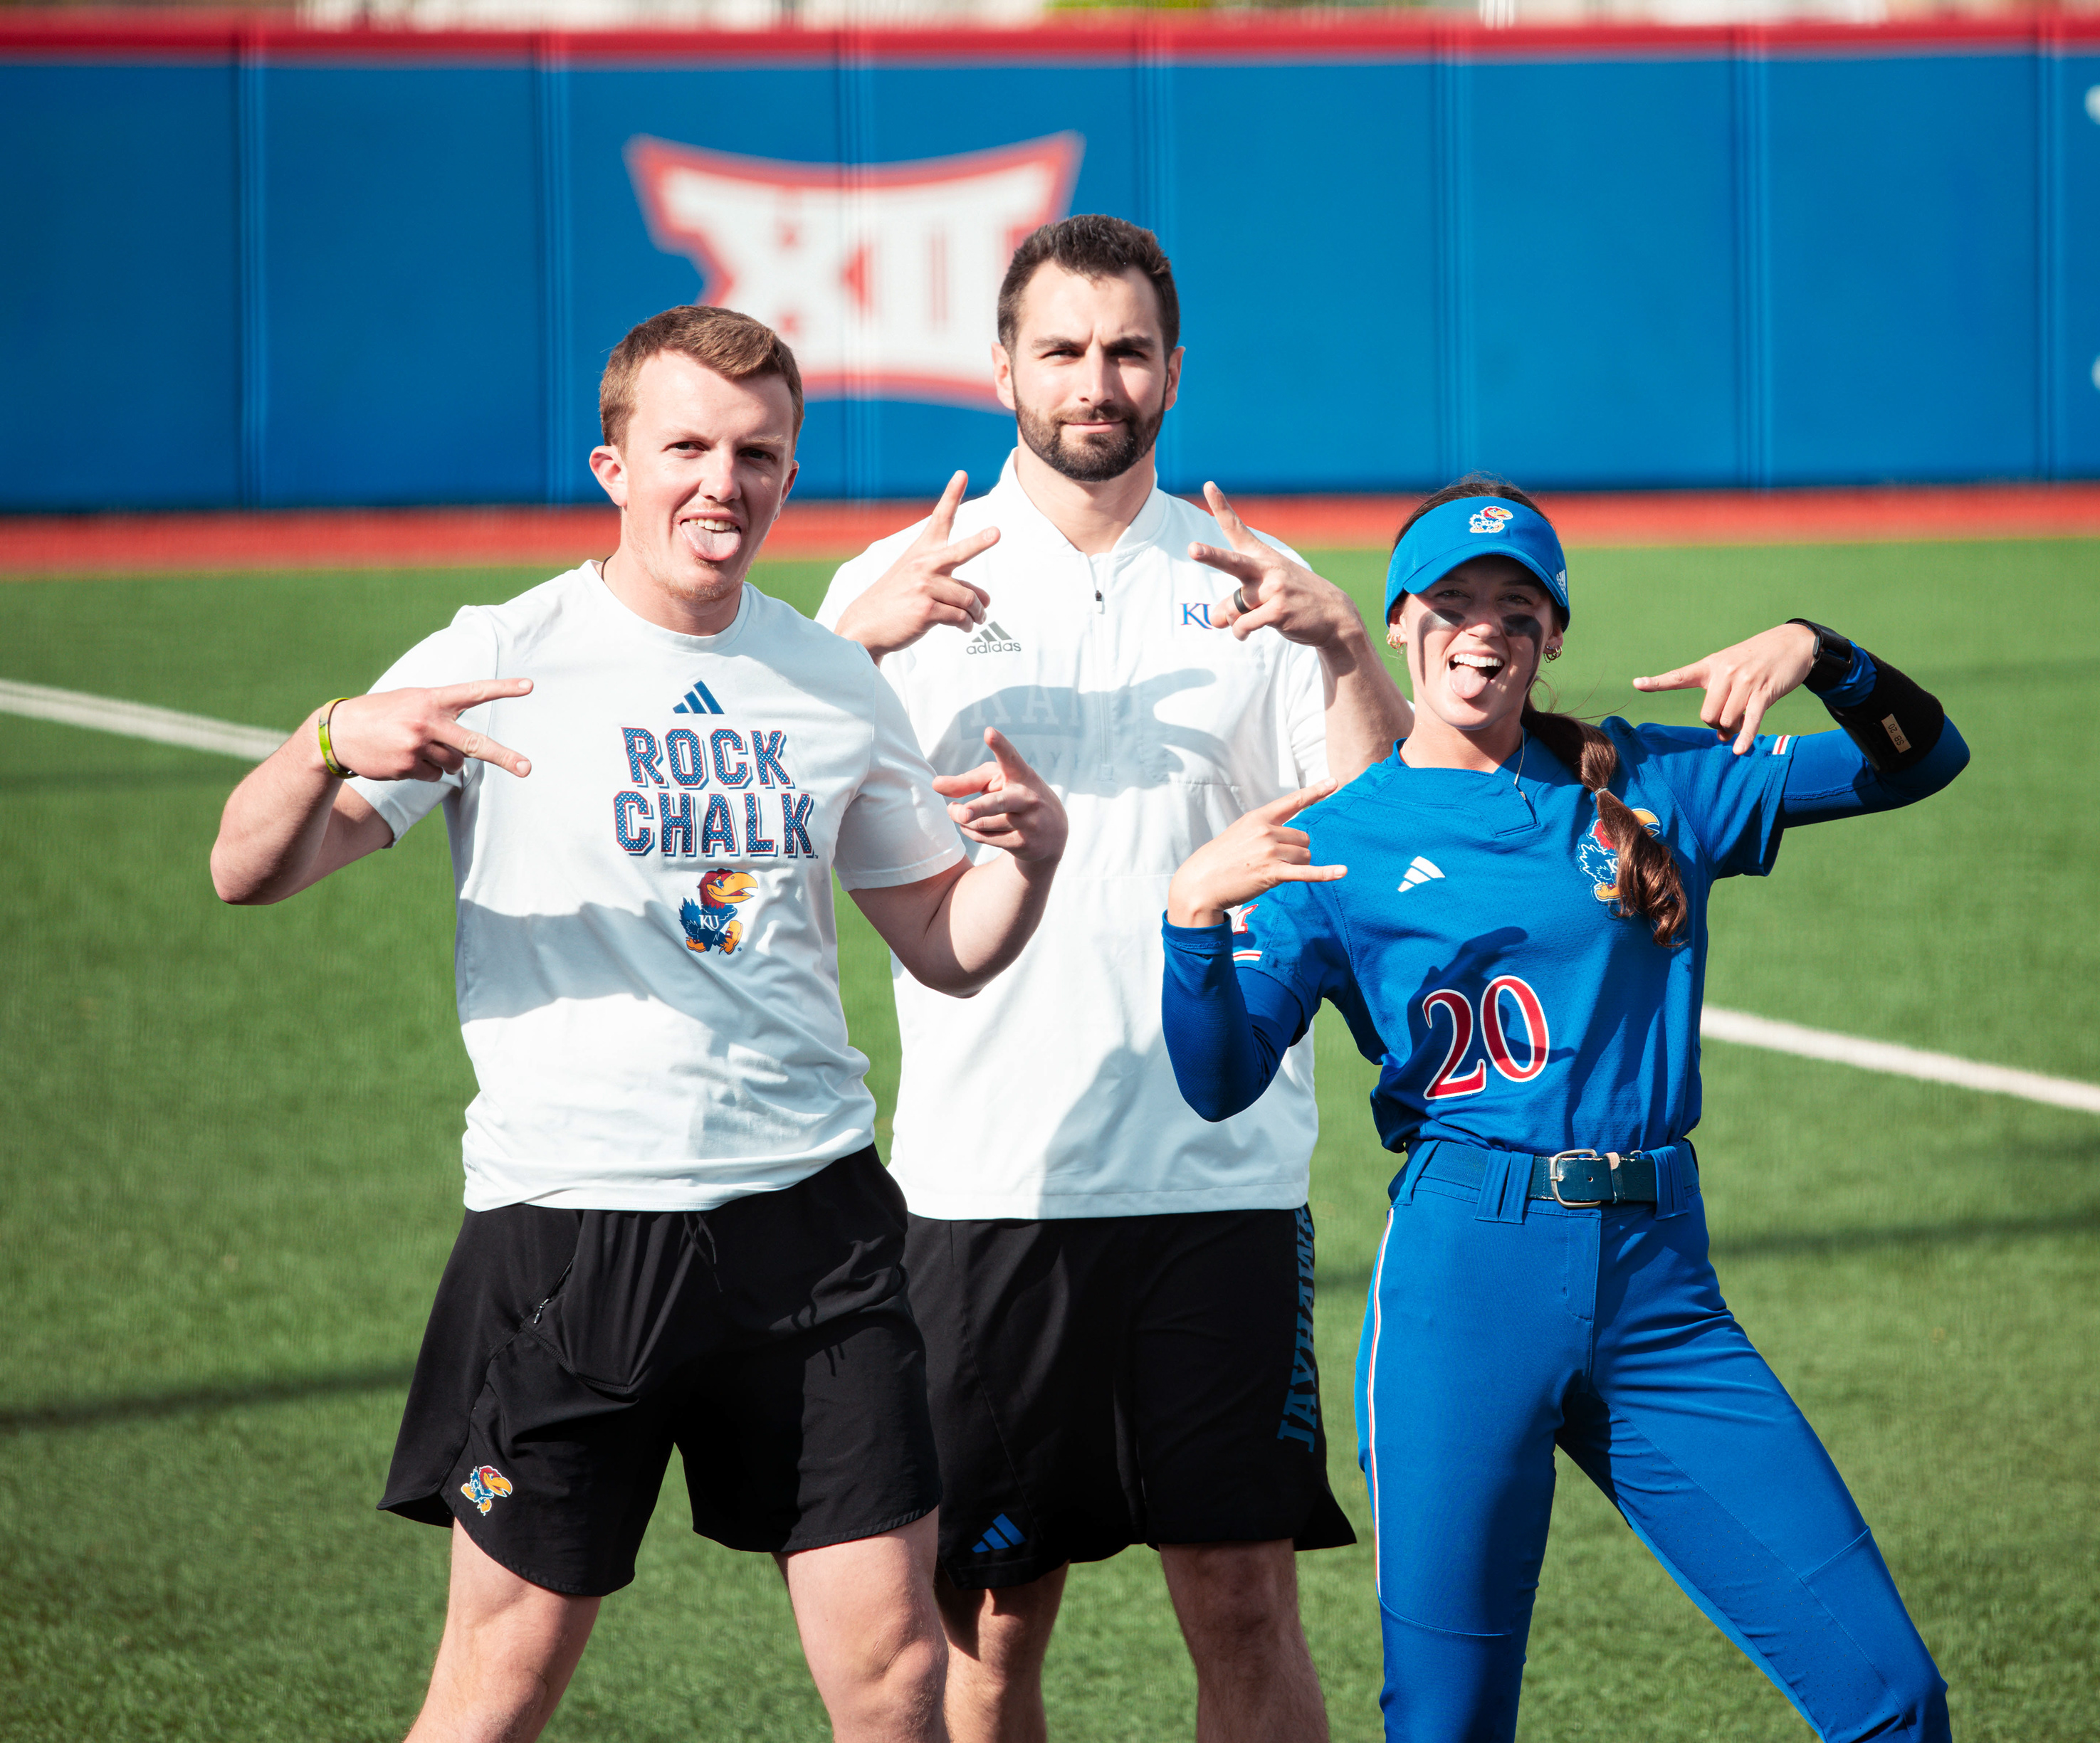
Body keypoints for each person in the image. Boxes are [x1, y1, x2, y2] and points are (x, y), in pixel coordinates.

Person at [208, 304, 1069, 1743]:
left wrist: (1029, 862)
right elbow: (247, 868)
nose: (722, 484)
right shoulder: (501, 651)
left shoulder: (832, 678)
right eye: (687, 449)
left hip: (813, 1229)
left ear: (788, 473)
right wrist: (325, 739)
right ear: (613, 465)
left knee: (900, 1672)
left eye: (758, 454)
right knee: (500, 1680)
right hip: (573, 1229)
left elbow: (946, 944)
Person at [1160, 480, 1968, 1742]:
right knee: (1448, 1723)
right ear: (1402, 620)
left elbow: (1919, 761)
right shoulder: (1336, 843)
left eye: (1516, 607)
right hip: (1463, 1287)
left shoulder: (1651, 782)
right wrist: (1191, 922)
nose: (1483, 630)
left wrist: (1823, 652)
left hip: (1662, 1293)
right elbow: (1217, 1081)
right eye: (1452, 601)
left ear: (1552, 635)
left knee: (1892, 1695)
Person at [814, 215, 1412, 1743]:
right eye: (1065, 349)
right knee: (989, 1621)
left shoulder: (1256, 583)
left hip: (1220, 1176)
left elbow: (1383, 838)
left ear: (1174, 371)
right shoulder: (890, 586)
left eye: (1129, 350)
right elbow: (775, 840)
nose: (1098, 380)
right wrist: (846, 653)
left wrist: (1347, 648)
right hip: (987, 1180)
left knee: (1245, 1598)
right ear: (1003, 366)